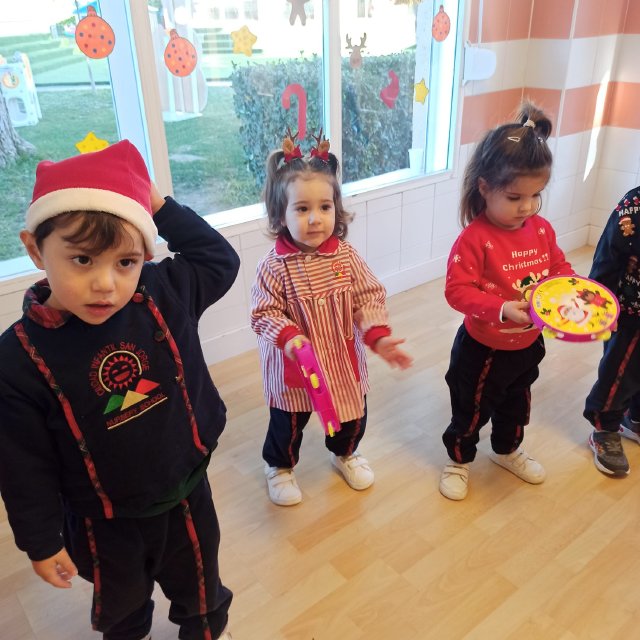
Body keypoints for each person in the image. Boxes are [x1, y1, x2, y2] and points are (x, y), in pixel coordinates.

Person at [0, 140, 239, 640]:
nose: (105, 284)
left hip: (186, 495)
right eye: (82, 259)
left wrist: (156, 204)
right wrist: (40, 541)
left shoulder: (163, 293)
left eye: (125, 262)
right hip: (101, 523)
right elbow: (22, 464)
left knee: (202, 598)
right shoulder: (18, 358)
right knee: (123, 615)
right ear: (35, 249)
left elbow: (218, 259)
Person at [250, 130, 413, 506]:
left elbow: (368, 295)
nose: (315, 219)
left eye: (324, 207)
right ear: (280, 214)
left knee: (353, 415)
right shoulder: (274, 267)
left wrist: (378, 335)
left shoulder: (346, 256)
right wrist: (289, 336)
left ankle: (345, 453)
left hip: (341, 360)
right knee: (288, 423)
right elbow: (263, 312)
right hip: (294, 365)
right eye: (301, 209)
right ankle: (279, 466)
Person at [439, 101, 574, 500]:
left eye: (536, 196)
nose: (527, 207)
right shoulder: (475, 239)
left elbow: (557, 266)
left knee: (517, 403)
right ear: (484, 187)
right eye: (515, 197)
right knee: (471, 409)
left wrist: (571, 289)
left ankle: (507, 450)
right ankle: (459, 460)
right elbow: (456, 291)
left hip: (528, 343)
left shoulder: (541, 229)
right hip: (483, 350)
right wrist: (500, 309)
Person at [583, 186, 640, 477]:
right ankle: (605, 428)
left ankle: (635, 418)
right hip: (633, 313)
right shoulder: (634, 206)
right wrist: (600, 305)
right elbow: (608, 256)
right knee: (621, 371)